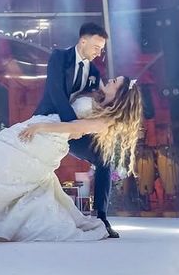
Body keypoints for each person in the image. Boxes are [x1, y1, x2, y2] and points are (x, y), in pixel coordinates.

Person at [0, 75, 142, 243]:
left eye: (115, 82)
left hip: (48, 137)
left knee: (0, 161)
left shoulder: (106, 120)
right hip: (40, 127)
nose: (110, 80)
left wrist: (41, 127)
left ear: (119, 94)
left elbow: (74, 127)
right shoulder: (97, 97)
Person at [34, 21, 118, 236]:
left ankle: (101, 218)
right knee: (33, 168)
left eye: (101, 49)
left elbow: (98, 101)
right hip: (50, 123)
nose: (99, 53)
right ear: (83, 41)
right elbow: (56, 93)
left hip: (74, 129)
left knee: (104, 158)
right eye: (96, 47)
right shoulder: (59, 57)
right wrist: (72, 126)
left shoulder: (94, 71)